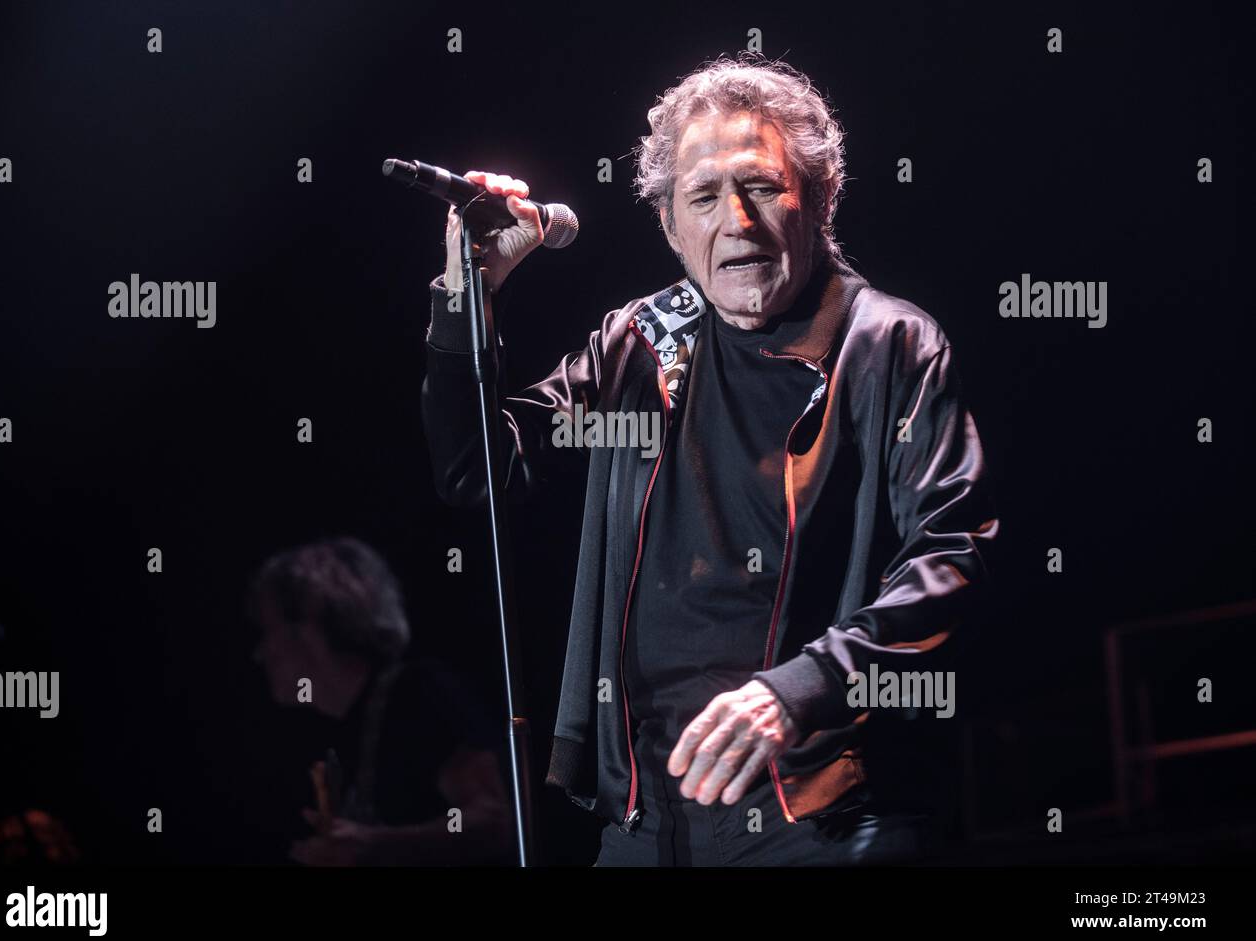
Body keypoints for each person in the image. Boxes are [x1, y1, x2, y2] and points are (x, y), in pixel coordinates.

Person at [420, 53, 1000, 865]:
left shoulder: (887, 346)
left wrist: (797, 691)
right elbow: (477, 468)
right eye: (703, 197)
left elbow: (954, 554)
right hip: (647, 816)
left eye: (761, 187)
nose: (737, 219)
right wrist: (467, 292)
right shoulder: (639, 342)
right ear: (669, 227)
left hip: (823, 808)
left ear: (820, 198)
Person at [247, 537, 514, 865]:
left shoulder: (419, 696)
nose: (260, 654)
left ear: (309, 626)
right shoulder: (340, 727)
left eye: (268, 630)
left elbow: (496, 823)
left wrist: (374, 845)